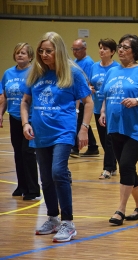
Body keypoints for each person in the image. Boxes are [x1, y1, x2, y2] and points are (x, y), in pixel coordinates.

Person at [21, 32, 93, 242]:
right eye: (41, 51)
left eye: (48, 51)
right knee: (45, 177)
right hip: (40, 132)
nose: (44, 55)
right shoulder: (36, 73)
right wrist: (26, 122)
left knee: (58, 171)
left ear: (58, 51)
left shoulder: (73, 73)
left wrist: (84, 129)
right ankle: (52, 218)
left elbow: (88, 102)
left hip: (63, 131)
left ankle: (68, 223)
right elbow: (25, 101)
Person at [99, 34, 138, 225]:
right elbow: (106, 95)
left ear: (135, 52)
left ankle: (120, 209)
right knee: (128, 167)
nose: (121, 50)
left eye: (126, 47)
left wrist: (137, 101)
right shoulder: (112, 71)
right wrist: (102, 112)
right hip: (115, 126)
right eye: (120, 47)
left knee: (125, 164)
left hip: (137, 128)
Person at [0, 42, 40, 200]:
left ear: (30, 56)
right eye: (17, 52)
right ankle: (21, 185)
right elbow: (4, 96)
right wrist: (1, 113)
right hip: (15, 117)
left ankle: (33, 188)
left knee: (27, 152)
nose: (20, 55)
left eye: (23, 52)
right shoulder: (8, 73)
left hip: (31, 119)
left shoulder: (35, 72)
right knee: (18, 153)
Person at [89, 38, 119, 179]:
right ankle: (112, 165)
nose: (102, 50)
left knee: (109, 139)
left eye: (105, 49)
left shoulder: (116, 68)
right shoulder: (94, 66)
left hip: (110, 109)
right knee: (103, 139)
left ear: (112, 52)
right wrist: (89, 88)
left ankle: (107, 168)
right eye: (100, 48)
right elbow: (89, 83)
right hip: (96, 107)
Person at [70, 38, 99, 157]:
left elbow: (87, 82)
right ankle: (92, 146)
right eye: (73, 49)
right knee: (82, 122)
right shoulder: (76, 61)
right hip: (76, 98)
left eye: (77, 49)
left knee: (78, 122)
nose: (75, 52)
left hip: (82, 98)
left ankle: (75, 148)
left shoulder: (88, 63)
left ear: (84, 49)